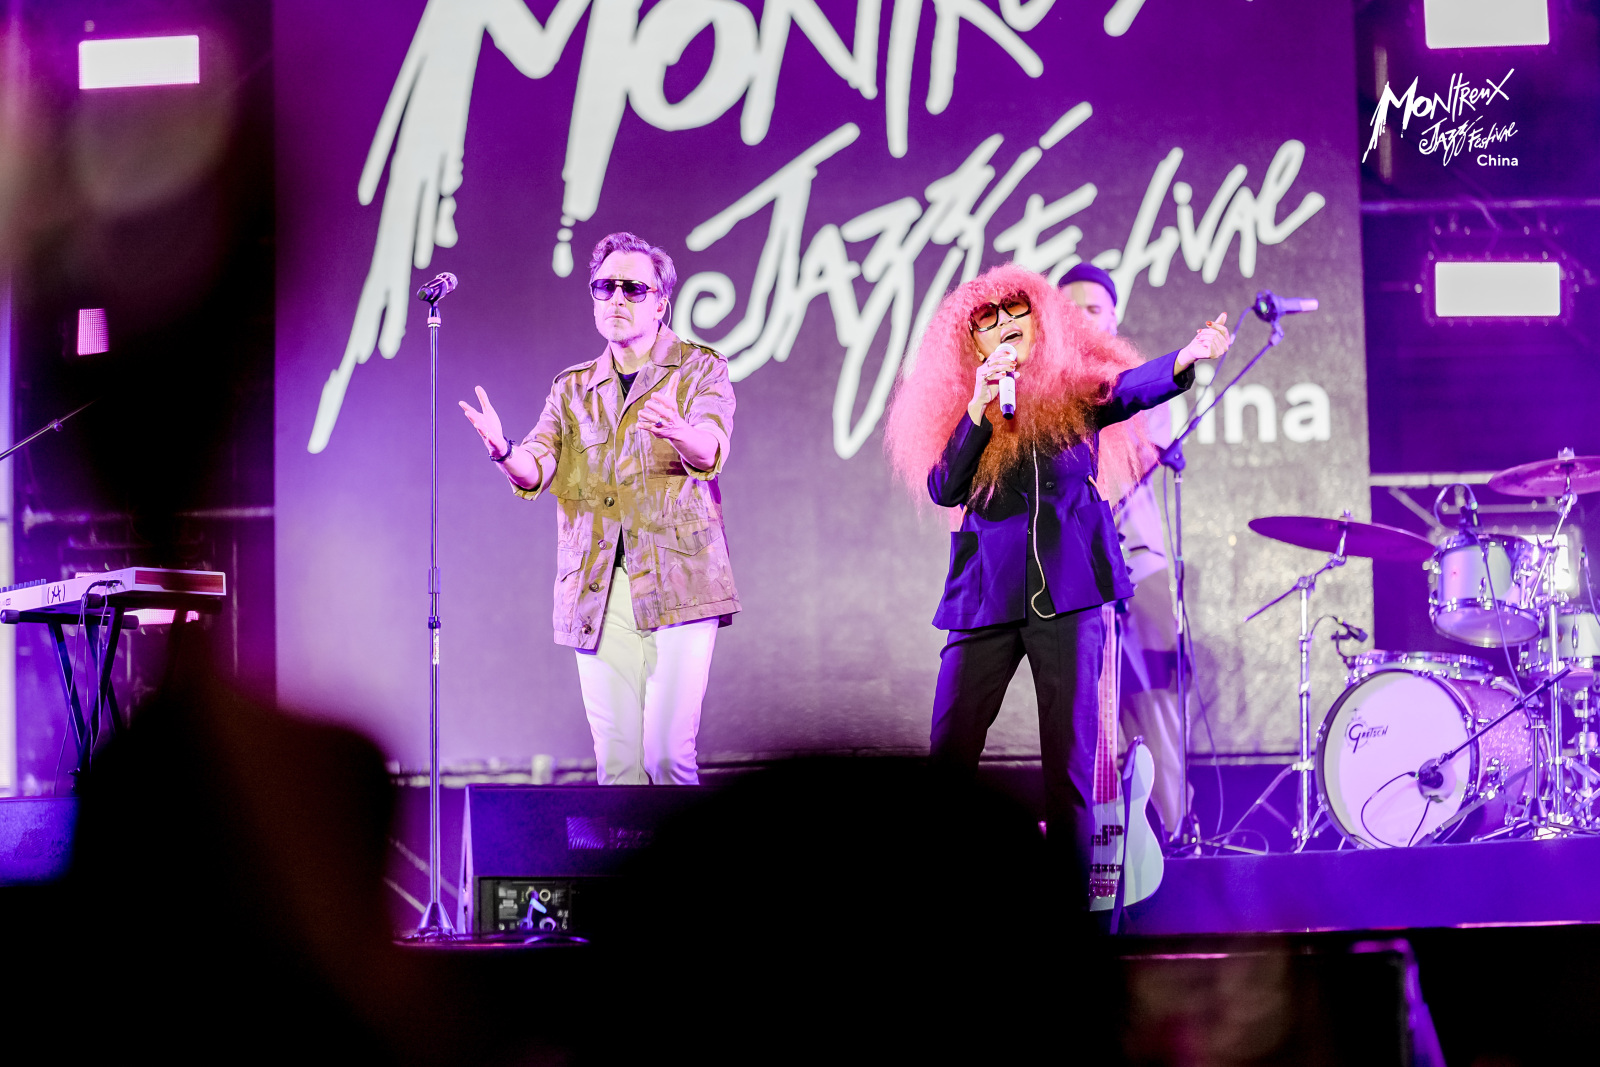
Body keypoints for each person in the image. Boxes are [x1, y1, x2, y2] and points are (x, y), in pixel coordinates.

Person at [882, 262, 1228, 893]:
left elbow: (1128, 389)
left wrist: (1188, 357)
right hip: (985, 598)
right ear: (970, 343)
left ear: (1041, 325)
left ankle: (1073, 916)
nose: (1006, 329)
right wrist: (979, 409)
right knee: (951, 750)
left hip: (1070, 597)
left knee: (1069, 767)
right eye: (988, 323)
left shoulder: (1073, 393)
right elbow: (944, 486)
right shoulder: (970, 407)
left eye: (1018, 317)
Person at [459, 232, 739, 785]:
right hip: (598, 588)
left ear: (661, 301)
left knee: (666, 756)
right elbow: (535, 468)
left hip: (681, 585)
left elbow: (710, 449)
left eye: (632, 288)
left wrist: (681, 433)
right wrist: (503, 450)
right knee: (618, 764)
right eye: (604, 286)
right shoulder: (571, 389)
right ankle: (627, 875)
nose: (616, 298)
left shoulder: (700, 368)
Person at [1059, 262, 1201, 842]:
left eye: (1094, 308)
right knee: (1083, 720)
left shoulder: (1141, 381)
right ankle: (1098, 856)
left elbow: (1125, 466)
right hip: (1070, 575)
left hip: (1136, 565)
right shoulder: (1042, 390)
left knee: (1155, 709)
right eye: (1070, 309)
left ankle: (1169, 833)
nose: (1082, 318)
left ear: (1114, 317)